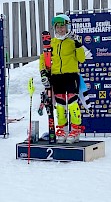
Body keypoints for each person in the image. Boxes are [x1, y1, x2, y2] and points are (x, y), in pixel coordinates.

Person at [39, 14, 86, 144]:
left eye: (63, 27)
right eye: (58, 27)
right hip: (56, 77)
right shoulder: (52, 42)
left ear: (68, 27)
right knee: (60, 105)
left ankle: (76, 129)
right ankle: (62, 129)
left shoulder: (72, 41)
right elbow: (44, 58)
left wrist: (78, 46)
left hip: (71, 75)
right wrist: (43, 72)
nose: (60, 29)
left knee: (72, 103)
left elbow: (81, 59)